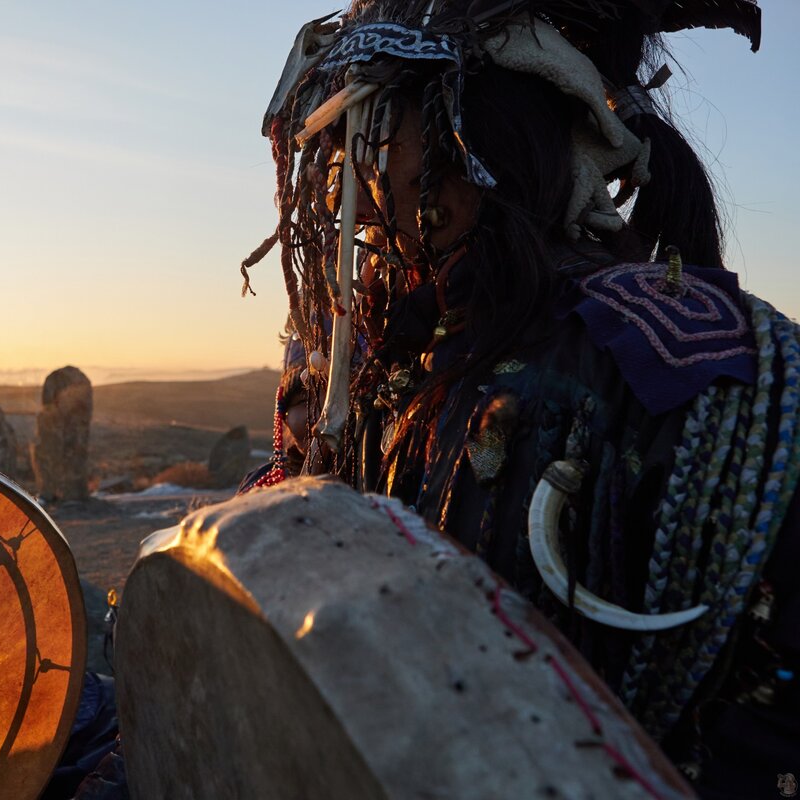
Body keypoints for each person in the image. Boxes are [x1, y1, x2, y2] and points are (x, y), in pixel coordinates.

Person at [243, 1, 797, 797]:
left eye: (368, 123)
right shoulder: (360, 354)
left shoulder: (695, 368)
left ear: (470, 135)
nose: (344, 175)